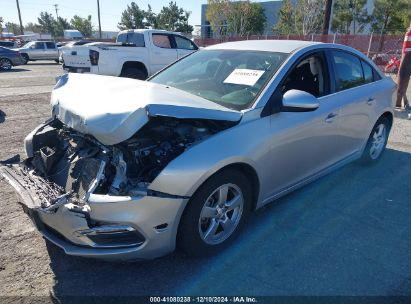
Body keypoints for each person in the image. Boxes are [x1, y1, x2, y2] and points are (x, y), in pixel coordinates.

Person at [396, 22, 411, 109]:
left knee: (404, 80)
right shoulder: (409, 33)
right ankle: (401, 101)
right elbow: (405, 47)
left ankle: (403, 101)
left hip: (407, 56)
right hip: (407, 56)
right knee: (403, 80)